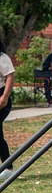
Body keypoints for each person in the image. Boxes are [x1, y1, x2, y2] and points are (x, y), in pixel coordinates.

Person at [0, 40, 15, 180]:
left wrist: (4, 97)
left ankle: (9, 168)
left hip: (1, 98)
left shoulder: (2, 57)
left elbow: (10, 76)